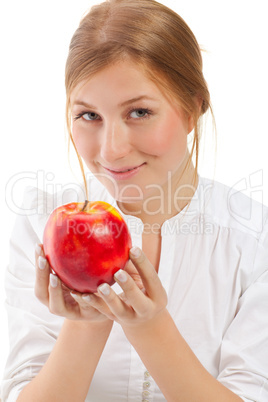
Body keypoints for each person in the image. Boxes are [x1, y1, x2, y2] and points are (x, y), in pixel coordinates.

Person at [1, 0, 268, 400]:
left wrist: (150, 326)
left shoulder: (254, 238)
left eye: (139, 112)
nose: (110, 151)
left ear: (192, 108)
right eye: (89, 116)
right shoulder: (40, 223)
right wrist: (87, 324)